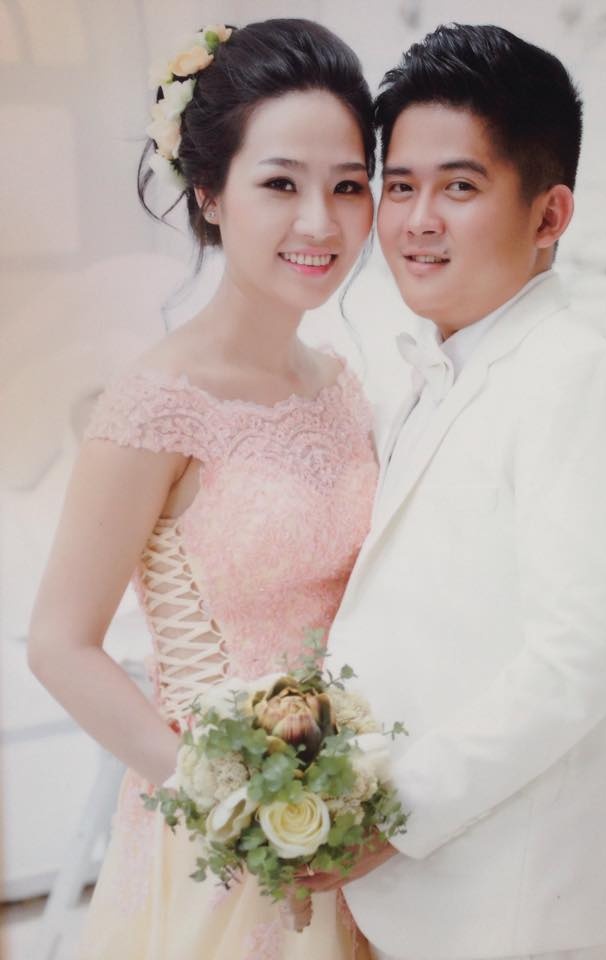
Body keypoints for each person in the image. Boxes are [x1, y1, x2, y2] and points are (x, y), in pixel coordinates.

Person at [300, 23, 606, 960]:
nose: (418, 220)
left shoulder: (579, 376)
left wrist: (391, 813)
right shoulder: (431, 369)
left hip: (512, 909)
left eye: (459, 188)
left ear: (550, 215)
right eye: (399, 187)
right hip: (418, 898)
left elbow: (578, 661)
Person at [28, 18, 378, 960]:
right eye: (281, 184)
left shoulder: (343, 383)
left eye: (349, 185)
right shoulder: (156, 406)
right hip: (224, 843)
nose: (321, 222)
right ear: (211, 193)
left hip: (356, 834)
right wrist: (225, 799)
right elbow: (59, 643)